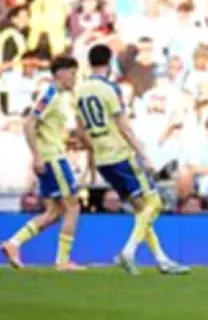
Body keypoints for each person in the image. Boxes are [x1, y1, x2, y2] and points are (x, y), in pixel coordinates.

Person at [74, 44, 189, 275]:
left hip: (103, 157)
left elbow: (79, 130)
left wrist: (94, 149)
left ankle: (162, 260)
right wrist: (142, 153)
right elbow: (123, 125)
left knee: (140, 210)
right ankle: (128, 251)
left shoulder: (80, 90)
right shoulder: (110, 89)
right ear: (109, 63)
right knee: (154, 203)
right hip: (120, 154)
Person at [0, 56, 84, 271]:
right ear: (61, 73)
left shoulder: (61, 96)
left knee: (54, 212)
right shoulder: (50, 94)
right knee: (73, 207)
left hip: (50, 156)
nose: (74, 78)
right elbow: (29, 123)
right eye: (72, 73)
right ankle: (63, 261)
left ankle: (13, 243)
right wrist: (36, 155)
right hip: (52, 158)